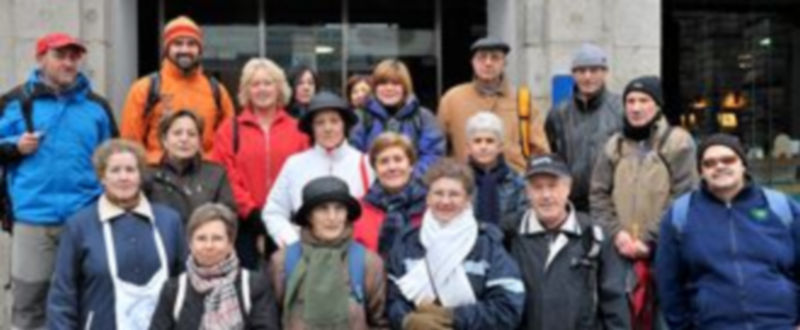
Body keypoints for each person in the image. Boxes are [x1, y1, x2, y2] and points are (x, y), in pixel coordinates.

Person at [0, 32, 118, 330]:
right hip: (32, 219)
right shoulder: (13, 102)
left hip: (84, 219)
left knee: (84, 300)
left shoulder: (97, 107)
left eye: (73, 57)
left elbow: (115, 159)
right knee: (29, 304)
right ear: (40, 58)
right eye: (60, 55)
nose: (68, 63)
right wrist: (14, 146)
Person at [656, 133, 800, 329]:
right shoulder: (681, 215)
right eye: (709, 163)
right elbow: (669, 284)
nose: (720, 166)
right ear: (701, 172)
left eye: (728, 159)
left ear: (743, 165)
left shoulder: (780, 207)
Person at [590, 76, 697, 329]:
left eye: (644, 100)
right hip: (621, 249)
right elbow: (598, 194)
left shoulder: (677, 142)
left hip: (665, 249)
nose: (636, 107)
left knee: (662, 316)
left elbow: (685, 196)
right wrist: (617, 234)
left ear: (657, 105)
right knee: (621, 316)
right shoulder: (614, 145)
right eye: (630, 101)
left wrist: (650, 239)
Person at [47, 139, 186, 329]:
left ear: (140, 175)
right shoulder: (79, 226)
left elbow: (186, 285)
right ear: (102, 177)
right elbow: (62, 295)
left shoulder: (169, 221)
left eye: (130, 170)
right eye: (115, 170)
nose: (123, 177)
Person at [386, 159, 525, 330]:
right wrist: (406, 320)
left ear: (467, 200)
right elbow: (392, 299)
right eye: (438, 193)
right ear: (428, 198)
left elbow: (508, 308)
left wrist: (454, 317)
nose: (445, 201)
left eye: (454, 194)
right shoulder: (407, 242)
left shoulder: (487, 244)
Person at [508, 154, 629, 330]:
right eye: (537, 187)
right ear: (527, 192)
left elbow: (614, 302)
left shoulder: (595, 235)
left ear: (568, 188)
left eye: (552, 186)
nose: (546, 195)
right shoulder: (510, 235)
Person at [211, 58, 309, 269]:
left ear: (279, 87)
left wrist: (280, 215)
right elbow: (225, 175)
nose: (262, 89)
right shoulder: (229, 130)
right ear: (246, 90)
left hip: (288, 223)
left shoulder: (299, 130)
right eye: (255, 84)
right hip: (244, 225)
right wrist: (254, 213)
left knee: (286, 287)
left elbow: (304, 175)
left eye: (268, 83)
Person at [268, 176, 387, 329]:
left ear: (347, 214)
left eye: (339, 208)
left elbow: (379, 323)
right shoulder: (282, 261)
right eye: (322, 208)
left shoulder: (368, 262)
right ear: (309, 216)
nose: (332, 217)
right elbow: (271, 321)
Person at [262, 91, 374, 248]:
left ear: (344, 124)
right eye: (320, 123)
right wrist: (292, 243)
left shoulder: (364, 163)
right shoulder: (295, 165)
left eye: (334, 121)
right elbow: (273, 211)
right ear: (311, 129)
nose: (328, 128)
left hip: (353, 255)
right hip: (306, 257)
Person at [121, 15, 235, 164]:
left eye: (191, 44)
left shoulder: (216, 91)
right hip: (158, 176)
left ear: (199, 50)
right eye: (178, 43)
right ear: (167, 48)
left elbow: (230, 141)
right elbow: (130, 144)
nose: (185, 49)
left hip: (205, 177)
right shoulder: (144, 88)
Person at [150, 203, 280, 330]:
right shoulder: (174, 290)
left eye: (217, 238)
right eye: (201, 238)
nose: (209, 246)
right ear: (190, 243)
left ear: (230, 243)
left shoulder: (253, 285)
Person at [437, 36, 548, 172]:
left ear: (504, 63)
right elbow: (437, 148)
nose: (488, 63)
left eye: (495, 58)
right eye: (482, 58)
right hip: (466, 183)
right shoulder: (452, 99)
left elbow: (540, 151)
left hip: (513, 183)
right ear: (472, 62)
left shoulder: (522, 100)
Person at [545, 43, 624, 212]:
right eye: (581, 71)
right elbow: (552, 153)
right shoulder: (559, 113)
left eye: (594, 70)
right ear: (573, 74)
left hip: (611, 204)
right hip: (570, 204)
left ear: (605, 72)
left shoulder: (620, 110)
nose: (588, 77)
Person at [350, 59, 445, 176]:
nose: (389, 88)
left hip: (414, 189)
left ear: (405, 87)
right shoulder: (360, 117)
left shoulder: (424, 117)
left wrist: (407, 178)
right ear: (375, 87)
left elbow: (433, 155)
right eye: (383, 83)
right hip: (371, 188)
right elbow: (354, 156)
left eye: (395, 83)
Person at [144, 109, 236, 222]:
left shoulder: (216, 175)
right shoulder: (149, 175)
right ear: (164, 140)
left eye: (191, 134)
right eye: (177, 133)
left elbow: (227, 217)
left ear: (199, 141)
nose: (184, 139)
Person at [354, 132, 427, 256]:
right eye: (384, 162)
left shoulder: (430, 205)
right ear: (375, 169)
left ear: (410, 165)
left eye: (398, 159)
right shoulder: (359, 210)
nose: (392, 167)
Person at [465, 112, 528, 238]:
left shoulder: (516, 181)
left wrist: (500, 227)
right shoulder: (459, 181)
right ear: (468, 147)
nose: (483, 147)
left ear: (500, 147)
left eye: (490, 141)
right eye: (477, 141)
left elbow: (524, 216)